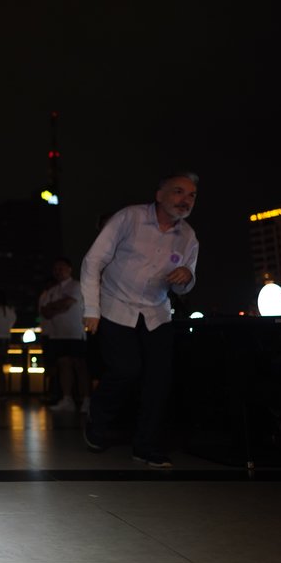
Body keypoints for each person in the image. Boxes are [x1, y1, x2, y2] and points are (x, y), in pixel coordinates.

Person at [81, 171, 200, 469]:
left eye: (191, 195)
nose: (185, 200)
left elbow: (183, 285)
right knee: (126, 369)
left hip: (157, 312)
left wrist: (187, 277)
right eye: (178, 192)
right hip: (115, 306)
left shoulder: (188, 237)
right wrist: (91, 310)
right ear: (160, 194)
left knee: (159, 381)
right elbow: (93, 260)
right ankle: (98, 417)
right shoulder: (129, 218)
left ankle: (146, 446)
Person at [39, 257, 89, 414]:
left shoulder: (77, 285)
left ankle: (87, 400)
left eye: (61, 268)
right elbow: (45, 312)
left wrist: (54, 307)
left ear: (69, 269)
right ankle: (67, 400)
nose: (58, 271)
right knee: (63, 365)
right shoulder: (52, 291)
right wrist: (57, 306)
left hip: (75, 333)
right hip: (57, 334)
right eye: (56, 269)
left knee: (80, 366)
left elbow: (67, 303)